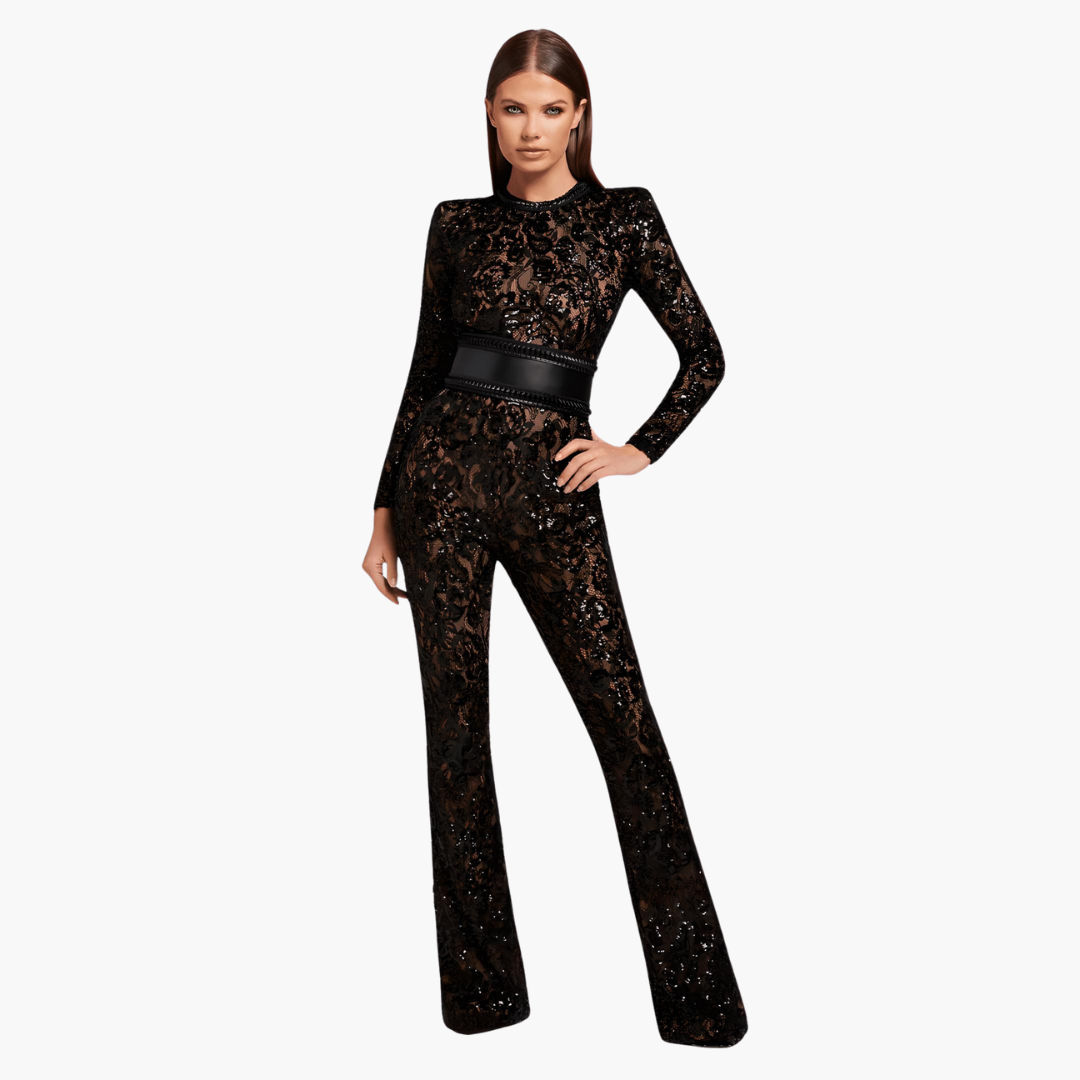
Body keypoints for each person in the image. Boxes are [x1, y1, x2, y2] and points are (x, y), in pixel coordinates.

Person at [364, 28, 747, 1048]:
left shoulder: (625, 217)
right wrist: (383, 509)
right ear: (489, 117)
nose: (529, 128)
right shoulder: (455, 223)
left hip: (552, 490)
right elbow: (425, 367)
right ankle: (481, 996)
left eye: (549, 109)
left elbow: (705, 356)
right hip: (441, 487)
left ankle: (699, 1002)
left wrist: (638, 450)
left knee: (626, 727)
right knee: (455, 741)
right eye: (511, 108)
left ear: (579, 116)